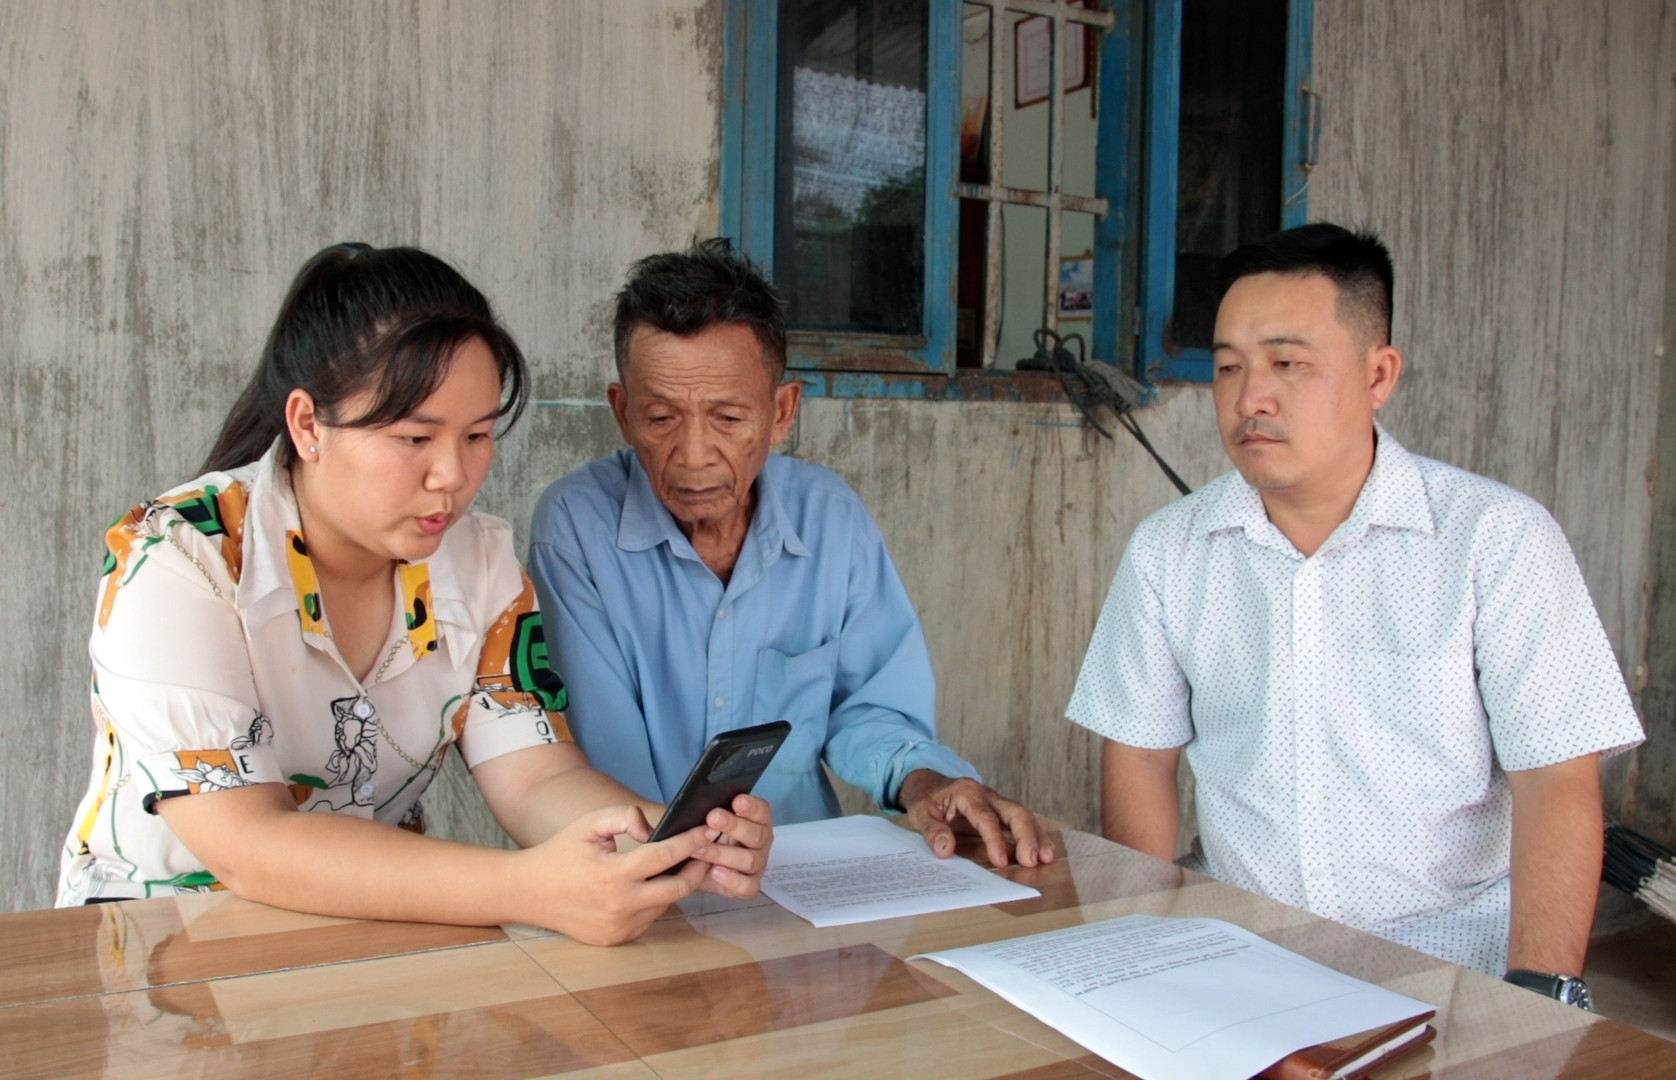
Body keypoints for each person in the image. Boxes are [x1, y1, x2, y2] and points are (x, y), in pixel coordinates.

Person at [58, 243, 772, 946]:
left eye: (477, 435)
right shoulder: (178, 558)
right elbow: (248, 843)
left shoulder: (481, 564)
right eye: (414, 438)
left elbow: (534, 776)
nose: (451, 476)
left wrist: (665, 838)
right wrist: (529, 890)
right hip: (164, 950)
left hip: (370, 936)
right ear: (308, 424)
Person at [1065, 223, 1644, 1002]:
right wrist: (1142, 957)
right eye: (1229, 366)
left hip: (1449, 964)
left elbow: (1557, 783)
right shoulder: (1171, 550)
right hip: (1239, 952)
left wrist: (1540, 993)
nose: (1250, 397)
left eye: (1288, 363)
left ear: (1379, 375)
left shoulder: (1493, 541)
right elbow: (1141, 755)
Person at [527, 239, 1049, 868]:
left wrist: (926, 784)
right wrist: (694, 864)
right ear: (622, 412)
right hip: (637, 881)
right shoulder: (576, 529)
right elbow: (599, 760)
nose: (694, 455)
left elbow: (868, 707)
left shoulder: (830, 520)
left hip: (803, 880)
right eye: (661, 417)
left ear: (781, 412)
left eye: (727, 418)